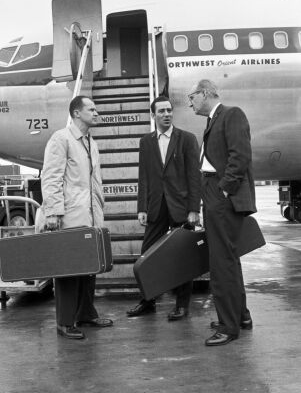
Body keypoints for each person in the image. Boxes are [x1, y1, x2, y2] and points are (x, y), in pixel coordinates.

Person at [189, 79, 256, 346]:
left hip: (222, 196)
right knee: (229, 259)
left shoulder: (231, 114)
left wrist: (224, 190)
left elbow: (240, 155)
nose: (190, 102)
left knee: (220, 263)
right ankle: (240, 317)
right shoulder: (213, 120)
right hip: (214, 194)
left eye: (191, 96)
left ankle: (228, 327)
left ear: (205, 93)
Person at [40, 95, 113, 339]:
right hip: (70, 214)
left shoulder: (90, 141)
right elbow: (51, 177)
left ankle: (85, 314)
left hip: (90, 214)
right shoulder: (61, 139)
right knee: (69, 269)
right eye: (91, 109)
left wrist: (100, 206)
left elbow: (94, 181)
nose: (97, 112)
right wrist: (52, 212)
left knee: (88, 268)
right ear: (77, 113)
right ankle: (65, 321)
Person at [127, 95, 201, 320]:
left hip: (181, 208)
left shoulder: (186, 139)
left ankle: (182, 305)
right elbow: (144, 176)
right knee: (147, 255)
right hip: (156, 206)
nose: (167, 114)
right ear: (154, 115)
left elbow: (194, 177)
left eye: (169, 110)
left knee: (183, 256)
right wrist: (142, 207)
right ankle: (148, 301)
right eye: (161, 111)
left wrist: (193, 209)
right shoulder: (146, 142)